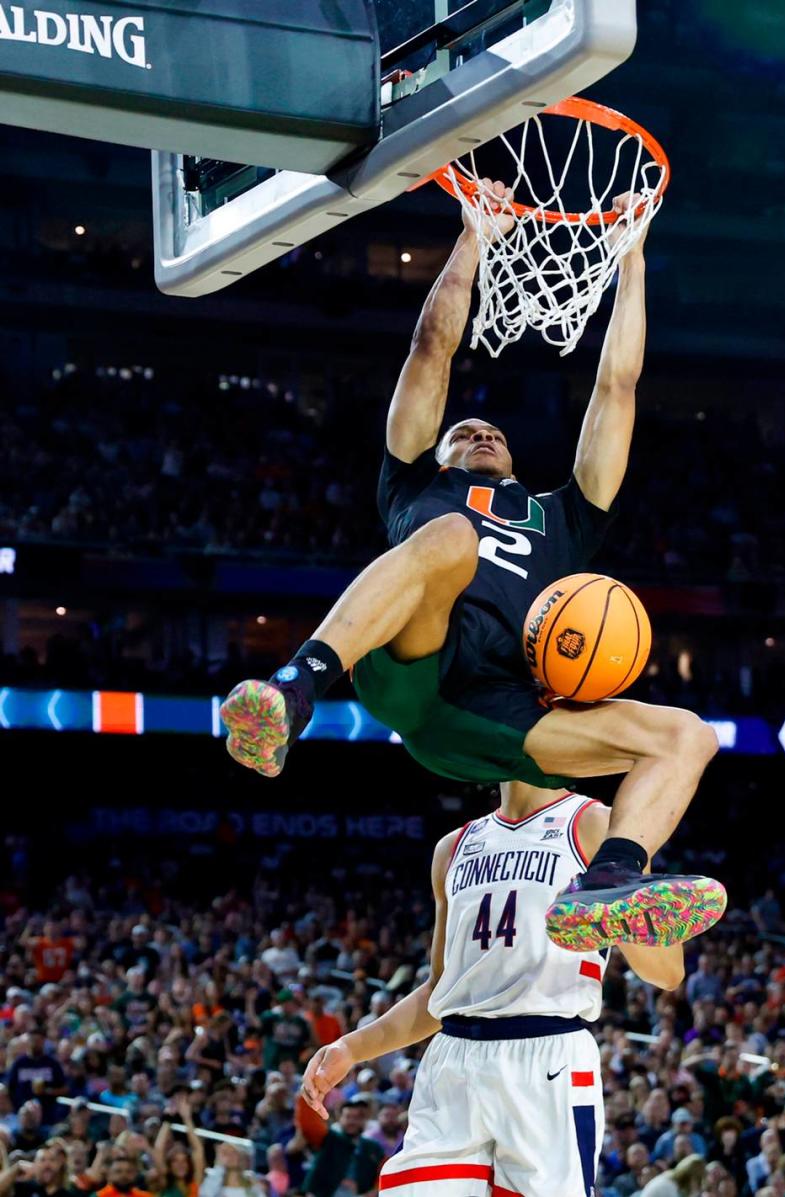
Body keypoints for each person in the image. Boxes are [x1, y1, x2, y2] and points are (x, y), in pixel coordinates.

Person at [220, 186, 726, 955]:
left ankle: (609, 881)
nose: (481, 429)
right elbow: (432, 348)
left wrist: (633, 260)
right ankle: (293, 692)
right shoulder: (417, 485)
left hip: (501, 703)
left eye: (492, 429)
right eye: (464, 430)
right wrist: (474, 237)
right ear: (438, 449)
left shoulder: (566, 516)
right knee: (452, 536)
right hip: (417, 663)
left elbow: (616, 387)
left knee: (688, 736)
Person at [300, 782, 686, 1196]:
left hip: (546, 1055)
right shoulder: (453, 848)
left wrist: (619, 914)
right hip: (453, 1060)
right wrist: (352, 1049)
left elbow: (668, 973)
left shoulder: (597, 825)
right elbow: (438, 992)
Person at [300, 1102, 382, 1197]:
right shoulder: (328, 1138)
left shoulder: (372, 1147)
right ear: (340, 1119)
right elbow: (308, 1125)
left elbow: (385, 1168)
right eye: (348, 1117)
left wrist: (375, 1191)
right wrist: (308, 1095)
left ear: (364, 1120)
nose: (352, 1121)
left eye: (356, 1118)